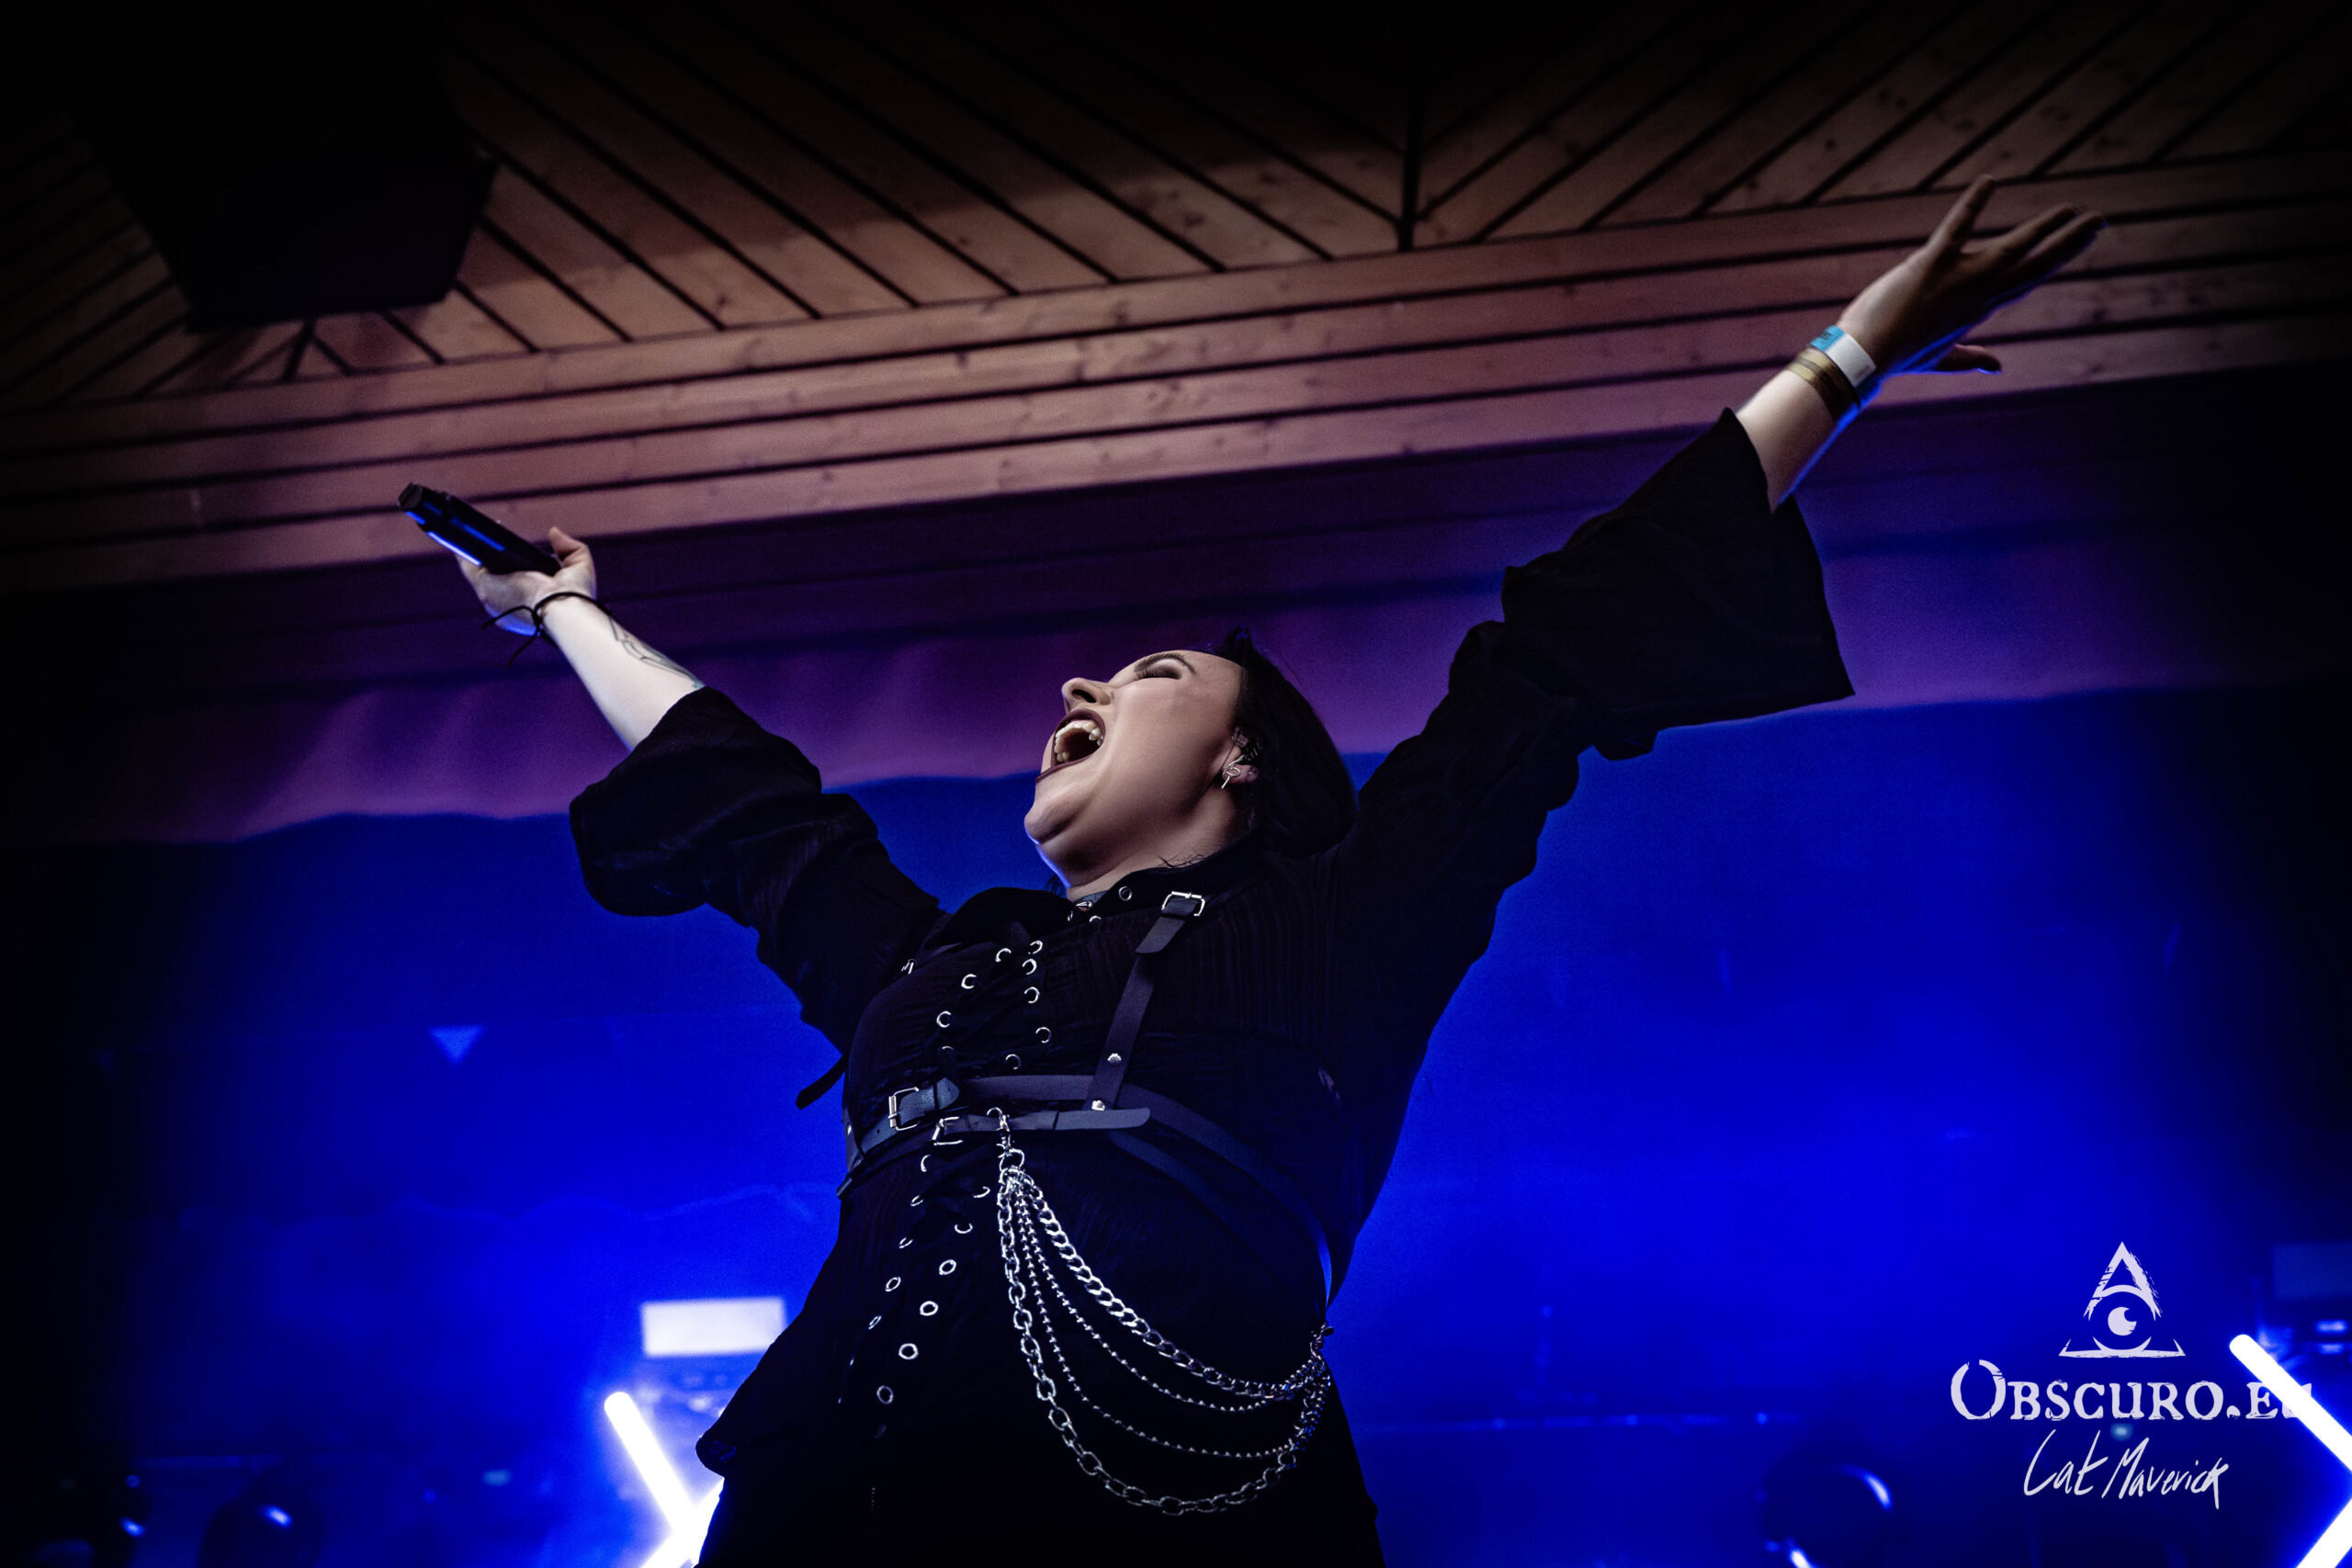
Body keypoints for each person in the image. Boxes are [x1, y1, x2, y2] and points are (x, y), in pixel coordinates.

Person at [457, 178, 2102, 1564]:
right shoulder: (930, 969)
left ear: (1246, 759)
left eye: (1154, 675)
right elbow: (755, 810)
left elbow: (1556, 656)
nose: (1081, 687)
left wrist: (1845, 359)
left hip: (1171, 1515)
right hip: (821, 1512)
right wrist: (566, 612)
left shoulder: (1347, 923)